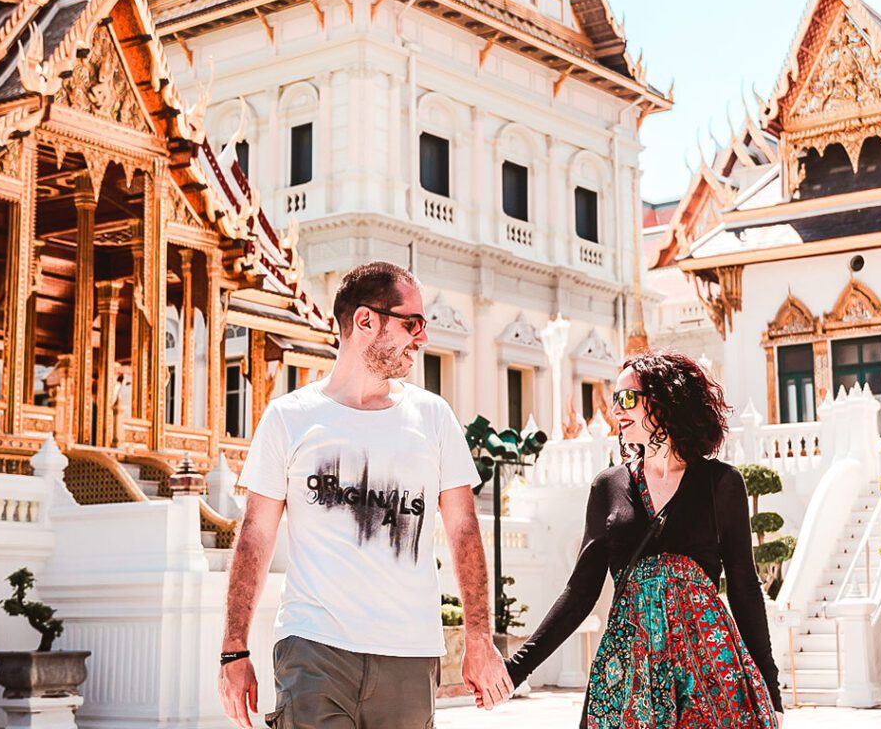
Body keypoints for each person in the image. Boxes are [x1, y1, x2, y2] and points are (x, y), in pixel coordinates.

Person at [219, 261, 513, 729]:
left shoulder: (433, 417)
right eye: (412, 323)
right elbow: (255, 535)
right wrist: (233, 648)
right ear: (364, 321)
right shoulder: (288, 418)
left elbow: (463, 530)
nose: (422, 338)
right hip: (314, 649)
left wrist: (479, 637)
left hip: (409, 654)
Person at [504, 350, 783, 728]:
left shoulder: (721, 483)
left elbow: (745, 588)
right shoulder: (610, 485)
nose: (615, 409)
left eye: (626, 398)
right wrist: (516, 670)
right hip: (629, 669)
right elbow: (580, 592)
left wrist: (770, 689)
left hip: (707, 670)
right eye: (614, 399)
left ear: (666, 400)